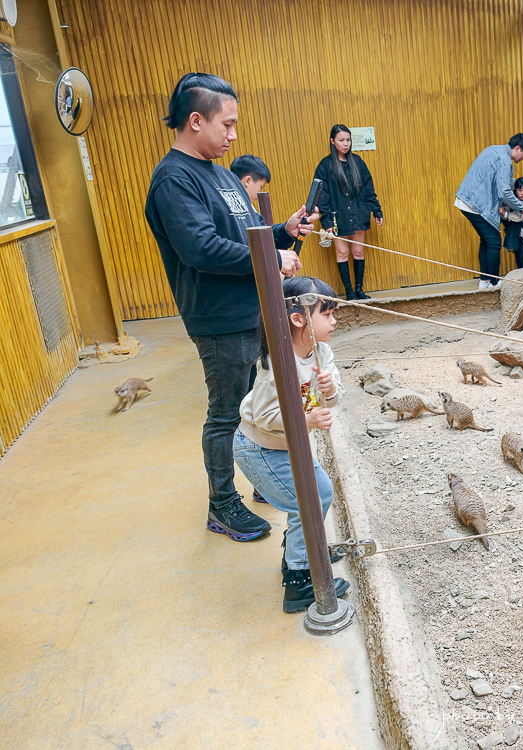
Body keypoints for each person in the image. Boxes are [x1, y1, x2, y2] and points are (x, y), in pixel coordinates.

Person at [144, 72, 318, 543]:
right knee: (226, 414)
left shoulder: (221, 174)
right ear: (196, 120)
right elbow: (201, 248)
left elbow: (244, 237)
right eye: (228, 124)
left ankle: (262, 475)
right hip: (218, 317)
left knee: (258, 401)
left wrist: (282, 232)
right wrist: (272, 258)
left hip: (253, 309)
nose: (233, 135)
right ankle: (221, 505)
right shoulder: (173, 179)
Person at [233, 276, 349, 613]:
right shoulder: (277, 364)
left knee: (320, 493)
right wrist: (308, 420)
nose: (334, 321)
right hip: (260, 448)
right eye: (326, 314)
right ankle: (299, 580)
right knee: (307, 503)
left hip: (289, 446)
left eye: (333, 313)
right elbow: (264, 415)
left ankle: (305, 549)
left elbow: (334, 397)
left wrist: (328, 389)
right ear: (298, 319)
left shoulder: (321, 351)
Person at [455, 133, 523, 290]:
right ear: (518, 148)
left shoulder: (493, 150)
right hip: (476, 204)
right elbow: (504, 192)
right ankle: (494, 282)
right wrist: (521, 206)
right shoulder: (505, 162)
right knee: (494, 241)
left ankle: (484, 281)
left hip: (467, 200)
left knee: (486, 240)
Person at [313, 124, 383, 301]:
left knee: (358, 251)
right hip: (338, 216)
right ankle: (349, 291)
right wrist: (327, 221)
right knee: (342, 253)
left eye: (348, 140)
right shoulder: (325, 165)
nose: (345, 144)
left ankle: (359, 289)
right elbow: (322, 196)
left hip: (359, 213)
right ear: (332, 141)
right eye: (341, 140)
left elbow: (369, 187)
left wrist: (376, 209)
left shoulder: (358, 162)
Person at [500, 176, 523, 270]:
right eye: (520, 190)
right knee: (518, 258)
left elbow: (519, 217)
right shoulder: (514, 202)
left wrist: (505, 214)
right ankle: (521, 279)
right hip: (516, 235)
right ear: (515, 191)